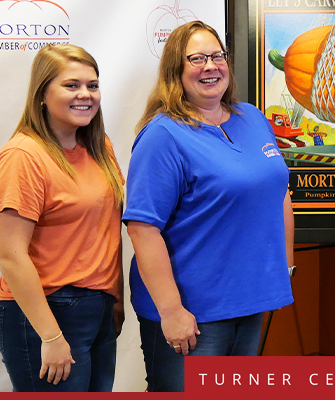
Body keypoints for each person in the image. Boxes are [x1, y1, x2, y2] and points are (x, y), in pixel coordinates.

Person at [124, 20, 294, 392]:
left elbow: (279, 191)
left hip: (248, 304)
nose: (210, 66)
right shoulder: (163, 135)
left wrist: (285, 264)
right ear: (176, 70)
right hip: (193, 315)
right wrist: (171, 311)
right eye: (197, 58)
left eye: (217, 56)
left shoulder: (253, 119)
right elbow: (142, 227)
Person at [0, 44, 125, 392]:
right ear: (42, 95)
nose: (85, 94)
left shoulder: (99, 147)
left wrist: (115, 299)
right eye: (71, 85)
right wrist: (49, 336)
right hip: (47, 313)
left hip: (97, 308)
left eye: (92, 85)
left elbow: (106, 231)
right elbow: (10, 254)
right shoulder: (23, 156)